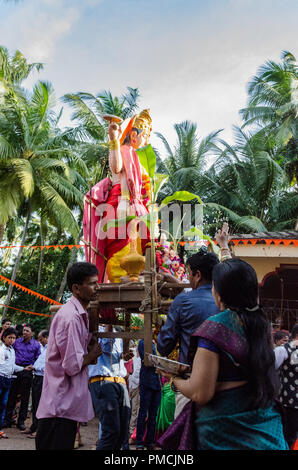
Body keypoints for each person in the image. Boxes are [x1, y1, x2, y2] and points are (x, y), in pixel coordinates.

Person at [158, 258, 288, 450]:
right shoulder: (260, 324)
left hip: (223, 434)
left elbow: (200, 392)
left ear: (220, 293)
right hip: (267, 432)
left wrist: (174, 379)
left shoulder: (214, 329)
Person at [35, 262, 102, 450]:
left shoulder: (79, 315)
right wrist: (92, 354)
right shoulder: (71, 317)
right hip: (59, 408)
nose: (97, 288)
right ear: (76, 288)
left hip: (64, 406)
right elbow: (72, 365)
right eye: (92, 284)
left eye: (97, 283)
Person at [83, 109, 152, 284]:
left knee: (138, 248)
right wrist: (114, 139)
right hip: (121, 205)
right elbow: (116, 168)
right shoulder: (123, 150)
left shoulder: (138, 158)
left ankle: (134, 281)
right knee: (120, 249)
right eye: (145, 135)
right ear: (134, 135)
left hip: (137, 210)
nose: (147, 140)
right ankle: (117, 284)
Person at [88, 324, 131, 450]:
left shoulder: (118, 333)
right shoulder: (94, 331)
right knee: (111, 432)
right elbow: (106, 344)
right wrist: (109, 324)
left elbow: (116, 355)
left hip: (120, 381)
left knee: (122, 432)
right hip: (103, 381)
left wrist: (124, 356)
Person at [4, 324, 40, 430]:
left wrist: (32, 366)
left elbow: (38, 358)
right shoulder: (17, 342)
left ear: (32, 333)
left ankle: (21, 421)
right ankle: (7, 420)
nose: (24, 332)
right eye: (24, 330)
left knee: (24, 398)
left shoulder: (36, 345)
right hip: (15, 370)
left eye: (27, 331)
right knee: (12, 396)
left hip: (28, 372)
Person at [0, 328, 33, 439]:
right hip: (1, 378)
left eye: (13, 338)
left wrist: (24, 368)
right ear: (4, 338)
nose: (11, 340)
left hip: (8, 379)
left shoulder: (12, 350)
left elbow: (12, 366)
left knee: (3, 403)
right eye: (9, 337)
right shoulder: (1, 350)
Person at [274, 323, 298, 449]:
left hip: (291, 401)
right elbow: (269, 371)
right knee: (289, 436)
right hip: (289, 403)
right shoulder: (282, 350)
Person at [21, 330, 49, 438]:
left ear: (46, 337)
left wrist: (35, 367)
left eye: (41, 339)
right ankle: (34, 426)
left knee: (41, 405)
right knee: (35, 404)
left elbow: (49, 366)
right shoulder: (43, 348)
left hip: (43, 378)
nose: (39, 341)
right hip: (36, 377)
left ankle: (39, 430)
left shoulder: (51, 349)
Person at [135, 338, 161, 450]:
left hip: (157, 383)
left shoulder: (156, 343)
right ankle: (139, 442)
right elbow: (149, 361)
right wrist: (160, 361)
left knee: (153, 415)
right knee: (143, 412)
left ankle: (150, 441)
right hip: (147, 381)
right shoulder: (142, 342)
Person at [128, 345, 141, 443]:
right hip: (133, 384)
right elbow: (137, 371)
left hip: (129, 383)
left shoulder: (130, 352)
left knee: (132, 410)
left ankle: (131, 433)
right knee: (134, 410)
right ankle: (131, 432)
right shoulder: (137, 355)